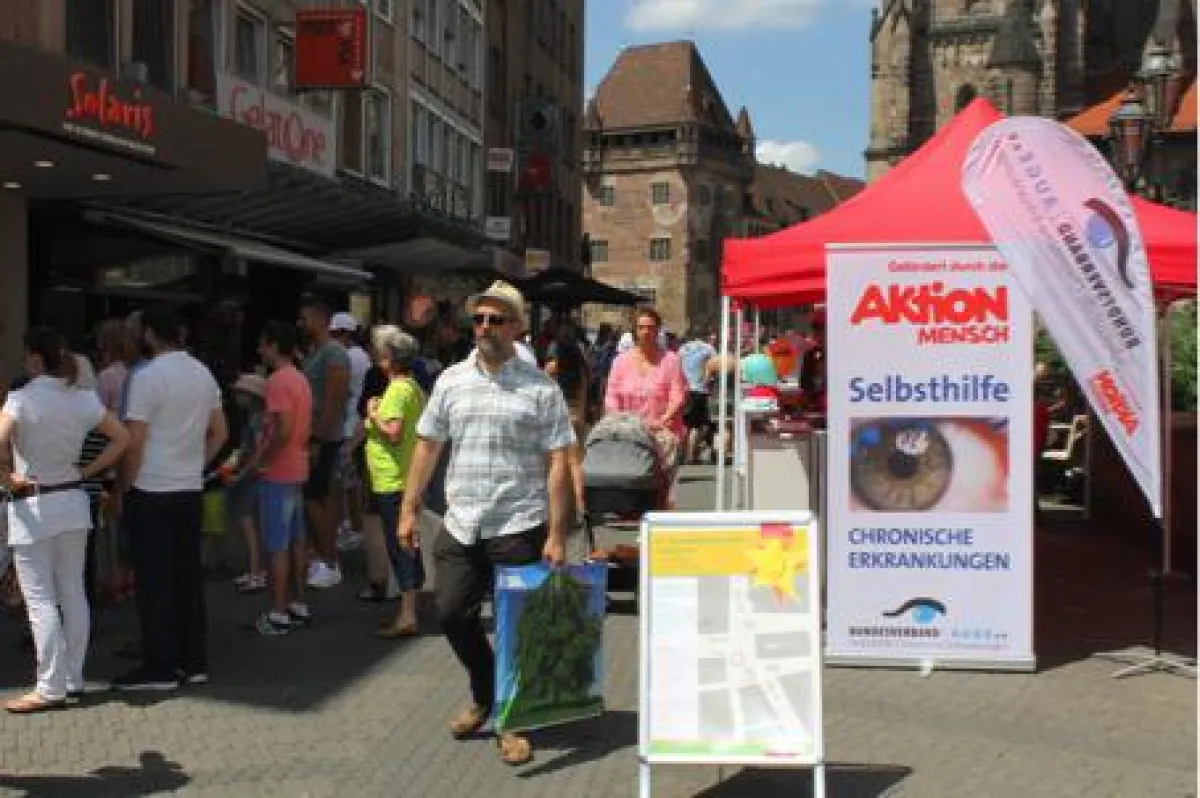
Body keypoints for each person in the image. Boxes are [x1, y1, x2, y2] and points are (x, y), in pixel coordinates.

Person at [398, 280, 574, 767]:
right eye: (479, 319)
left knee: (516, 626)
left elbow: (559, 460)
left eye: (496, 320)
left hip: (518, 521)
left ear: (516, 327)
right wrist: (409, 508)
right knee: (452, 612)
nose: (485, 328)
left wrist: (558, 533)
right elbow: (428, 445)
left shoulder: (541, 388)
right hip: (462, 521)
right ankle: (484, 689)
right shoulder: (451, 381)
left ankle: (510, 719)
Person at [0, 328, 129, 712]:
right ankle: (72, 678)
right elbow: (122, 438)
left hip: (35, 505)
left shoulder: (21, 398)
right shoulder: (83, 398)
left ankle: (50, 685)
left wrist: (7, 477)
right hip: (73, 499)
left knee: (40, 600)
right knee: (72, 593)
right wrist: (89, 470)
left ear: (35, 359)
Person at [113, 306, 228, 691]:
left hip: (151, 488)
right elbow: (220, 432)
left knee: (155, 580)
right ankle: (194, 659)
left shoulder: (147, 378)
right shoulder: (202, 373)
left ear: (148, 335)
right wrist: (196, 463)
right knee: (187, 577)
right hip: (187, 488)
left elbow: (135, 442)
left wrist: (124, 488)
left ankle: (161, 664)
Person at [250, 322, 314, 635]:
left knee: (277, 543)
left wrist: (262, 460)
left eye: (263, 344)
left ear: (275, 346)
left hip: (278, 470)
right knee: (296, 539)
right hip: (297, 465)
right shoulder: (300, 379)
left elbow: (283, 429)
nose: (260, 350)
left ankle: (278, 610)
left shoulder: (277, 381)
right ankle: (298, 602)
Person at [364, 325, 426, 638]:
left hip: (394, 480)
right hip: (398, 477)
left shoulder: (400, 389)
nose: (378, 356)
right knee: (405, 543)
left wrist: (373, 413)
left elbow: (394, 432)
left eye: (382, 352)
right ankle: (409, 607)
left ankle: (408, 613)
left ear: (392, 358)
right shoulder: (410, 387)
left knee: (400, 545)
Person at [604, 307, 688, 508]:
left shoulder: (671, 360)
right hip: (630, 434)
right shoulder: (620, 362)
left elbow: (678, 395)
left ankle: (660, 526)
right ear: (635, 331)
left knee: (661, 490)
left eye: (651, 327)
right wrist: (620, 422)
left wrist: (663, 420)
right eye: (641, 327)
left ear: (658, 330)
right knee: (636, 488)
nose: (646, 332)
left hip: (663, 434)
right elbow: (611, 397)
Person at [298, 298, 350, 589]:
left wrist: (319, 437)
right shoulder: (318, 352)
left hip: (325, 439)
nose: (301, 324)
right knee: (318, 499)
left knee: (318, 499)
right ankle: (324, 558)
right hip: (317, 437)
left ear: (320, 319)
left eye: (305, 318)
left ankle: (330, 561)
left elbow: (334, 399)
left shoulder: (334, 353)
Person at [330, 312, 370, 550]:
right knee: (351, 481)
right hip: (354, 424)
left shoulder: (351, 357)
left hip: (349, 426)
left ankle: (353, 527)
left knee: (348, 482)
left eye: (336, 333)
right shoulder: (360, 356)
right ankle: (353, 526)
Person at [226, 374, 267, 594]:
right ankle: (257, 569)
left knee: (248, 522)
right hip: (252, 473)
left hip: (253, 475)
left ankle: (256, 571)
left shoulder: (256, 420)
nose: (237, 397)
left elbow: (257, 449)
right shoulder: (255, 418)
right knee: (251, 523)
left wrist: (241, 473)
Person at [677, 329, 717, 464]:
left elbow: (678, 368)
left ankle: (681, 454)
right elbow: (713, 368)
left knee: (684, 425)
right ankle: (690, 455)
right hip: (700, 390)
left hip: (685, 390)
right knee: (697, 425)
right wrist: (708, 381)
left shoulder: (682, 349)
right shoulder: (708, 348)